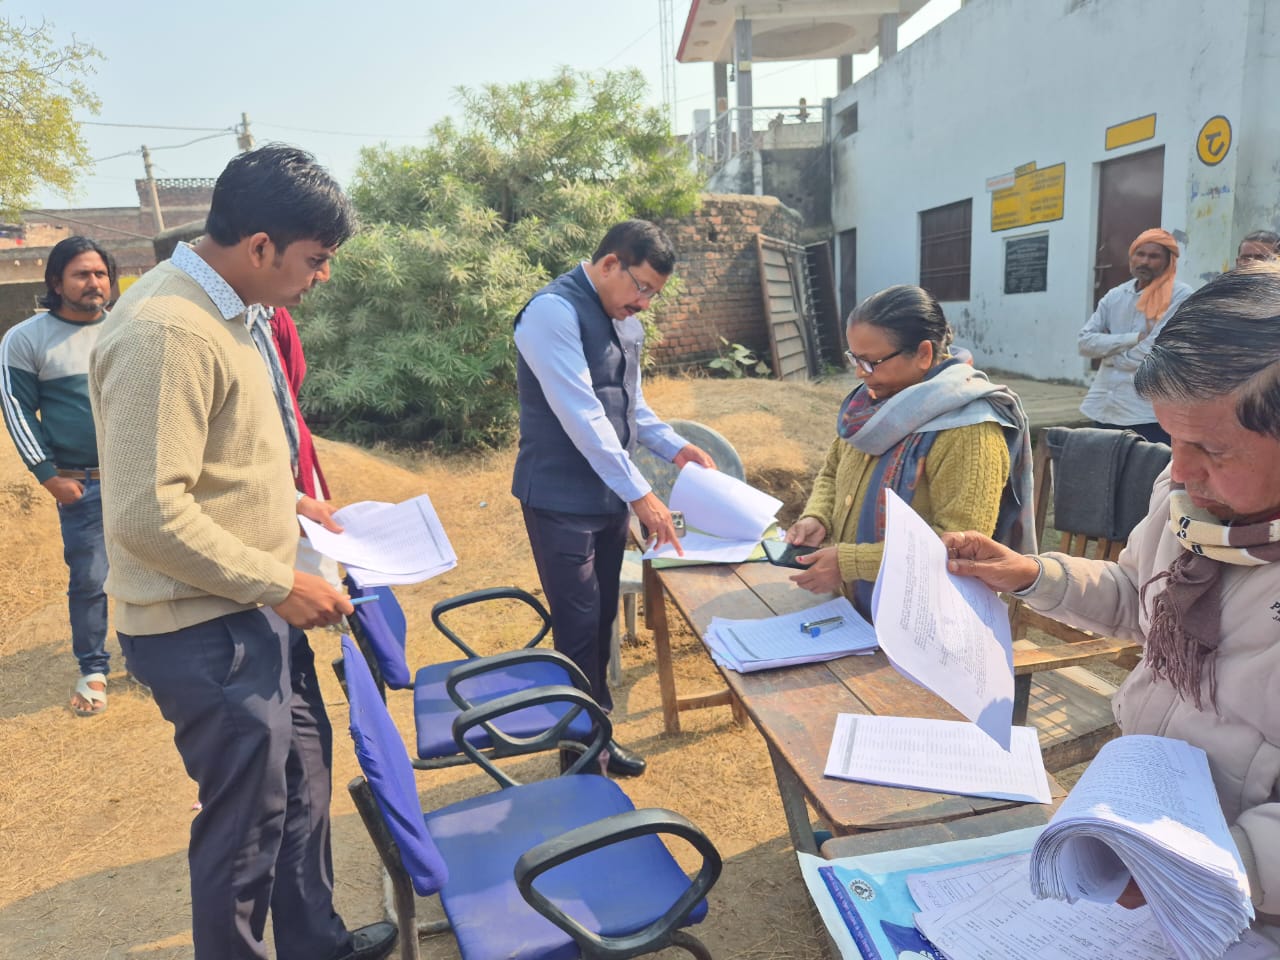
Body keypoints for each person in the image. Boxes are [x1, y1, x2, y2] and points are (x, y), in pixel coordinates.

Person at [88, 146, 396, 960]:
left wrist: (293, 503)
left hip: (252, 607)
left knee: (302, 783)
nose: (321, 277)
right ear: (260, 247)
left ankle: (313, 942)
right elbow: (148, 514)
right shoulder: (167, 330)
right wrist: (276, 583)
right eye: (315, 260)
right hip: (204, 626)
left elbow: (213, 460)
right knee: (246, 825)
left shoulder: (230, 315)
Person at [943, 265, 1280, 946]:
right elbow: (1138, 598)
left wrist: (1203, 869)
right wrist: (1033, 574)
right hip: (1150, 835)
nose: (1179, 471)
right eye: (1171, 440)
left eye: (1210, 448)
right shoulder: (1187, 500)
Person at [512, 219, 715, 778]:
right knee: (577, 628)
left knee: (599, 623)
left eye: (655, 293)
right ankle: (579, 761)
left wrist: (676, 449)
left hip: (605, 500)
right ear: (608, 265)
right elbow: (583, 416)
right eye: (642, 287)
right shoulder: (552, 311)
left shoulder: (624, 321)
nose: (645, 302)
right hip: (558, 499)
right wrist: (644, 495)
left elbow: (630, 406)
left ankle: (597, 739)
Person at [784, 285, 1035, 617]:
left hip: (922, 621)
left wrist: (851, 563)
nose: (860, 373)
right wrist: (817, 517)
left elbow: (959, 547)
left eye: (872, 361)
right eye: (854, 359)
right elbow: (832, 472)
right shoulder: (868, 409)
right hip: (854, 610)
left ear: (924, 354)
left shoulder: (969, 429)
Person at [1, 236, 117, 716]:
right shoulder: (27, 339)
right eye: (82, 274)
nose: (94, 283)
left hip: (139, 478)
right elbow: (17, 411)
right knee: (91, 578)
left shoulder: (128, 329)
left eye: (101, 274)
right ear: (56, 282)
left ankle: (152, 657)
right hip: (81, 482)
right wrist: (48, 476)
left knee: (154, 569)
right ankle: (93, 668)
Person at [1078, 228, 1193, 445]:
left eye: (1154, 256)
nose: (1145, 261)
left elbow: (1155, 353)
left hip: (1146, 411)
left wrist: (1109, 354)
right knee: (1103, 472)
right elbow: (1084, 343)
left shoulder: (1180, 296)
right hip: (1104, 405)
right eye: (1140, 254)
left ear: (1169, 261)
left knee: (1146, 474)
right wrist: (1133, 339)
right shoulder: (1115, 295)